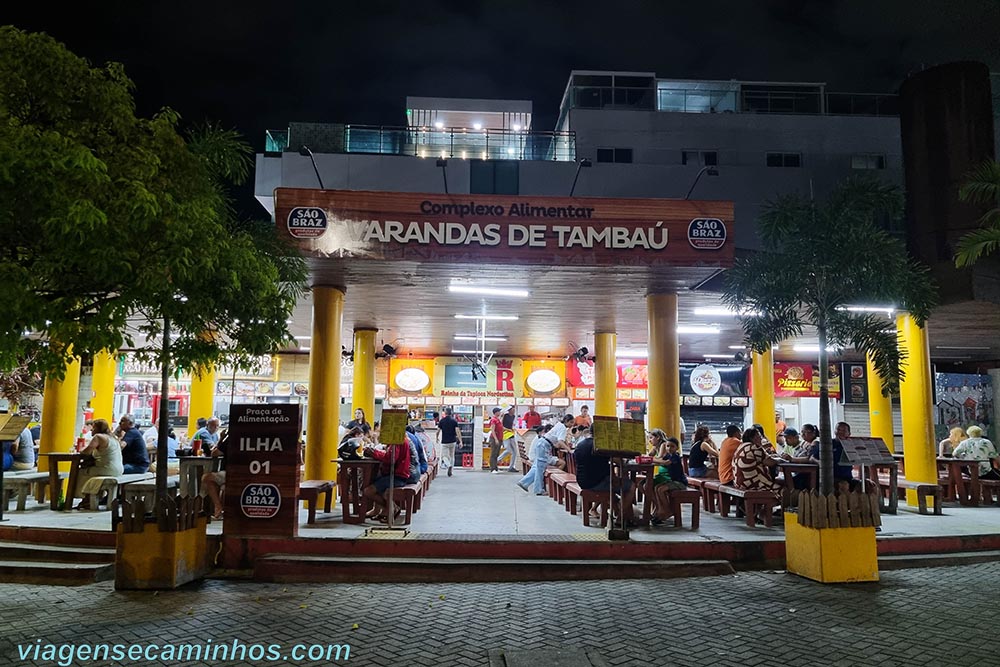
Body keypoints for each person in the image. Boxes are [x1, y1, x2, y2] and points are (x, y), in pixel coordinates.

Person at [573, 430, 637, 522]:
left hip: (582, 481)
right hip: (597, 482)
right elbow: (618, 461)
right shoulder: (600, 446)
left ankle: (618, 510)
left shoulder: (580, 444)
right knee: (631, 486)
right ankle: (621, 517)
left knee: (613, 485)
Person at [517, 414, 573, 494]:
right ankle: (538, 490)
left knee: (537, 467)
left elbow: (557, 440)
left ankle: (524, 482)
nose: (572, 425)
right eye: (571, 422)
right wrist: (569, 450)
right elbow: (560, 441)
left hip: (542, 444)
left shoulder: (559, 425)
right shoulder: (563, 428)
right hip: (544, 446)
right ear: (566, 421)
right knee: (540, 469)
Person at [75, 419, 124, 509]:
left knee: (80, 472)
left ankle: (85, 498)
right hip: (118, 469)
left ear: (98, 429)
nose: (91, 430)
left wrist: (80, 449)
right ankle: (90, 497)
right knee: (89, 470)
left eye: (93, 428)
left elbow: (86, 452)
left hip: (107, 469)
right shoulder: (113, 437)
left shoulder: (98, 437)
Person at [734, 428, 783, 514]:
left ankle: (758, 511)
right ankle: (763, 513)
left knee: (775, 483)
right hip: (752, 483)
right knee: (784, 491)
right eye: (759, 436)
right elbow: (770, 462)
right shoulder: (754, 447)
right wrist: (780, 459)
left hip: (740, 482)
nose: (761, 439)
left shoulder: (742, 446)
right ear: (753, 438)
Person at [363, 441, 412, 521]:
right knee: (376, 482)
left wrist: (374, 453)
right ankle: (388, 509)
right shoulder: (402, 439)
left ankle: (392, 508)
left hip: (397, 477)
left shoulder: (397, 441)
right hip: (401, 475)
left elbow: (390, 458)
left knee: (368, 491)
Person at [650, 432, 687, 525]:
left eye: (672, 446)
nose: (669, 448)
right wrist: (654, 460)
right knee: (656, 488)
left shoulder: (676, 457)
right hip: (672, 481)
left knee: (661, 489)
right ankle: (662, 509)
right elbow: (660, 460)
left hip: (679, 483)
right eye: (667, 446)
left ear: (677, 448)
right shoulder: (668, 455)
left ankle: (667, 510)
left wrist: (652, 459)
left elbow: (665, 463)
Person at [202, 429, 230, 519]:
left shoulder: (229, 440)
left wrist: (221, 438)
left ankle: (218, 506)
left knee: (206, 478)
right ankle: (219, 508)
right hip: (242, 473)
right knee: (213, 481)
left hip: (229, 473)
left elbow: (214, 453)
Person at [437, 407, 461, 477]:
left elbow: (438, 431)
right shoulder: (454, 421)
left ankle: (448, 465)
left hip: (444, 441)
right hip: (453, 441)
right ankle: (451, 469)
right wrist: (460, 441)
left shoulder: (442, 421)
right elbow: (457, 431)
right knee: (452, 456)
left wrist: (436, 437)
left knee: (444, 456)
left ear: (445, 413)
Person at [501, 405, 518, 472]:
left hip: (511, 434)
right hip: (505, 433)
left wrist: (512, 429)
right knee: (508, 449)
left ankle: (511, 467)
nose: (514, 411)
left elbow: (511, 425)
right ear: (509, 410)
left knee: (514, 451)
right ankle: (496, 460)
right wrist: (508, 429)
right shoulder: (505, 416)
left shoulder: (513, 416)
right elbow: (501, 426)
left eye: (514, 410)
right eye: (513, 410)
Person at [487, 407, 504, 473]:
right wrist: (496, 439)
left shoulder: (498, 419)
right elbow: (493, 430)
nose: (500, 413)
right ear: (496, 412)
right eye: (499, 411)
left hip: (499, 438)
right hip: (494, 438)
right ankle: (492, 468)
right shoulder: (493, 420)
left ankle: (496, 467)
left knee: (497, 453)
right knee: (493, 453)